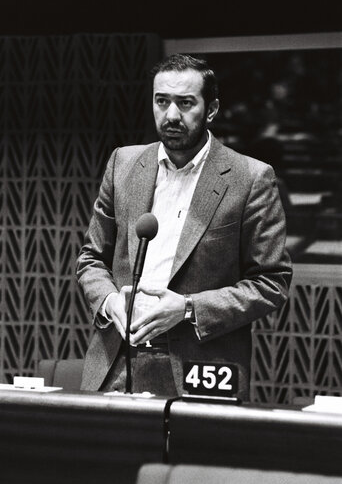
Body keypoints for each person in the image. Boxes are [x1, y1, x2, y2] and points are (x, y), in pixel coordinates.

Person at [76, 53, 292, 400]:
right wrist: (109, 301)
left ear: (211, 109)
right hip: (115, 358)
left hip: (199, 367)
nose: (171, 115)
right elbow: (91, 258)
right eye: (162, 101)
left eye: (185, 103)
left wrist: (188, 308)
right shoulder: (123, 164)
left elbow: (271, 282)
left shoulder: (250, 178)